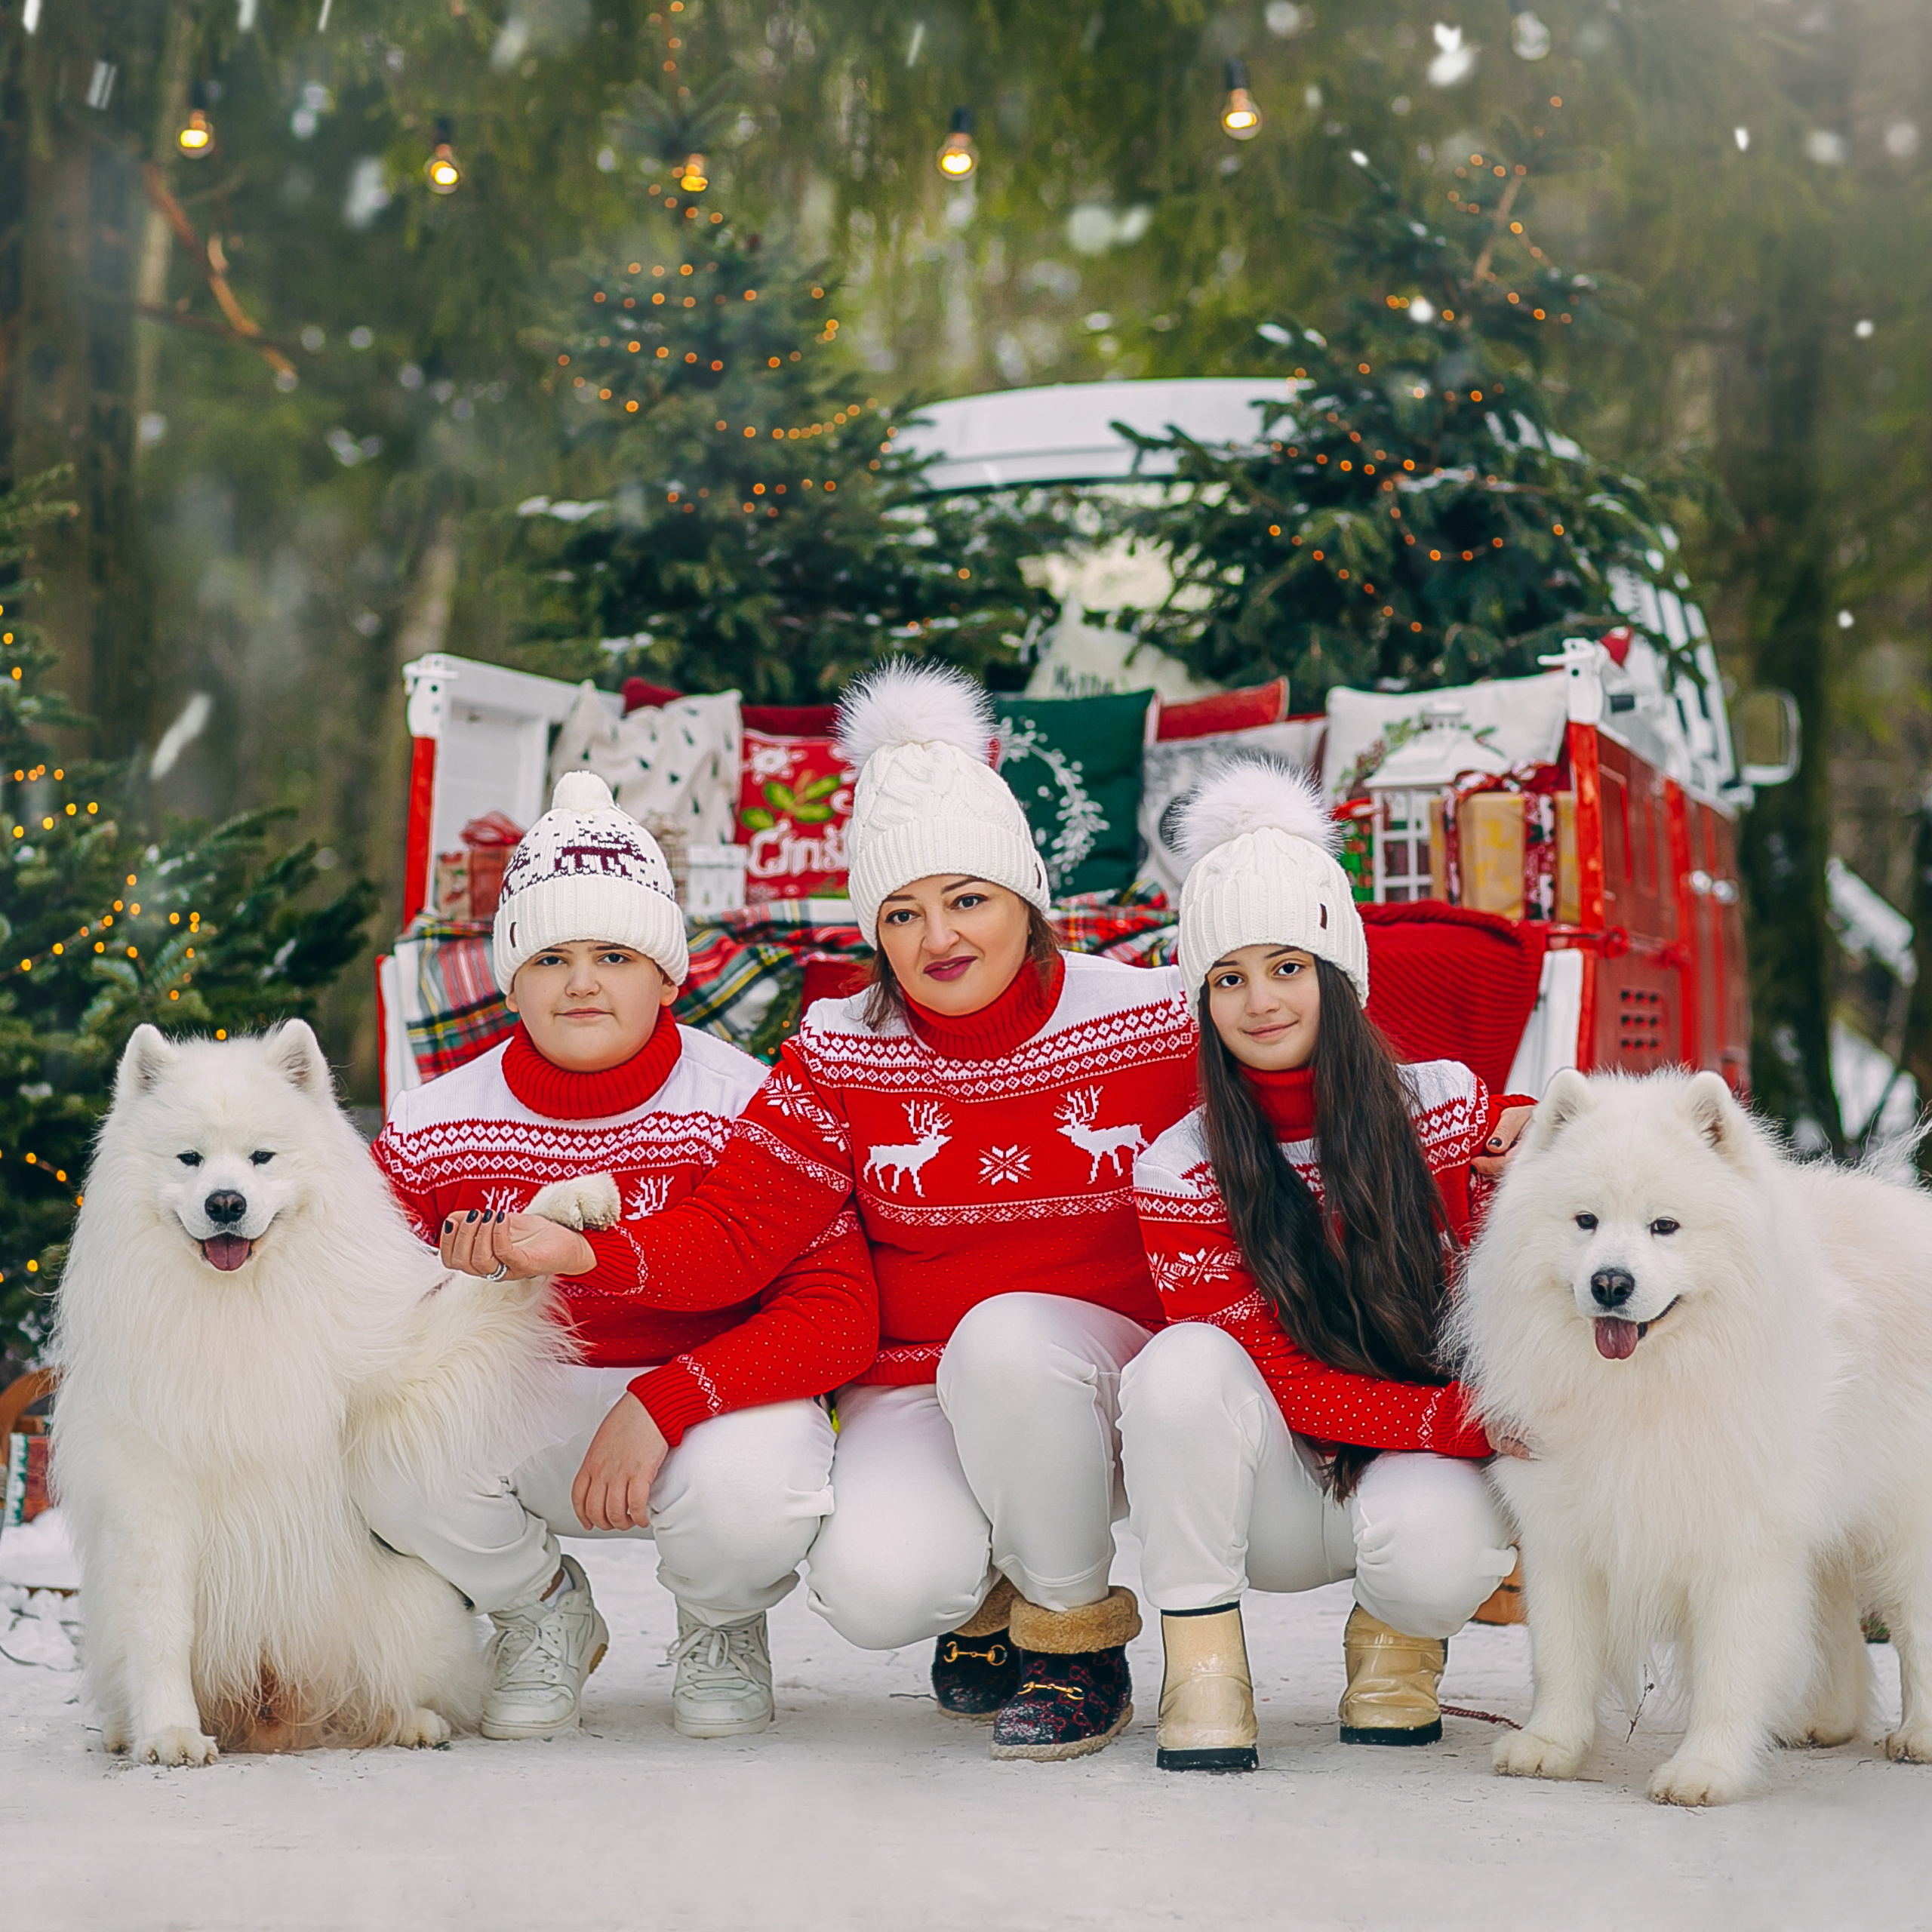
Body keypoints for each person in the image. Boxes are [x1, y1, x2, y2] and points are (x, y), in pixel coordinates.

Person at [570, 660, 1198, 1761]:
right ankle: (984, 1595)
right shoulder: (840, 1047)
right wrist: (585, 1252)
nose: (936, 939)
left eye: (967, 899)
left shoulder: (1152, 1017)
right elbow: (734, 1232)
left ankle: (1070, 1638)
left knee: (1010, 1340)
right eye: (901, 913)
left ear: (1026, 899)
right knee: (875, 1589)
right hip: (921, 1378)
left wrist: (1503, 1119)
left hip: (1115, 1378)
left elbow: (1320, 1083)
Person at [363, 772, 876, 1743]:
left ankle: (721, 1620)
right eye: (550, 955)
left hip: (705, 1404)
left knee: (755, 1491)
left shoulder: (746, 1102)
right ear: (510, 977)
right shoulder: (436, 1121)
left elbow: (837, 1310)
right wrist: (448, 1296)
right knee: (385, 1447)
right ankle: (539, 1604)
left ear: (670, 973)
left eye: (615, 953)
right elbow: (359, 1311)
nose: (582, 982)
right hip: (523, 1404)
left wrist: (669, 1397)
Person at [1118, 759, 1534, 1772]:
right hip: (1270, 1490)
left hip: (1412, 1467)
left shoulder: (1445, 1107)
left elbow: (1518, 1290)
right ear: (1202, 998)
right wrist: (1447, 1419)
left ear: (1336, 973)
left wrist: (1538, 1142)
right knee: (1177, 1366)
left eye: (1287, 966)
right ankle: (1203, 1662)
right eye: (1229, 977)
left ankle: (1398, 1641)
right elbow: (1275, 1366)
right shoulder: (1181, 1166)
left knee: (1436, 1555)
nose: (1260, 1000)